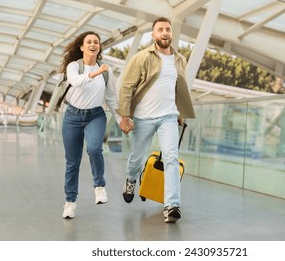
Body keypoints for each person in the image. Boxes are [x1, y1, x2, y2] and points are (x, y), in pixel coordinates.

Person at [117, 17, 195, 223]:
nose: (165, 32)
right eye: (160, 29)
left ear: (171, 33)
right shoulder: (142, 57)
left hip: (168, 117)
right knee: (136, 157)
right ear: (153, 34)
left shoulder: (180, 60)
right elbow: (126, 86)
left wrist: (181, 114)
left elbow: (180, 89)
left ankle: (171, 205)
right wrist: (125, 116)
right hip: (143, 118)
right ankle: (130, 179)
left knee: (171, 157)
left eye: (168, 29)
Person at [59, 31, 122, 219]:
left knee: (94, 149)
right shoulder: (74, 66)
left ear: (99, 47)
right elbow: (75, 82)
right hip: (72, 117)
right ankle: (70, 202)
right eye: (89, 42)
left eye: (96, 42)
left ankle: (100, 186)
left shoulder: (106, 70)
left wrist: (120, 119)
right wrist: (95, 72)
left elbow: (111, 98)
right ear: (82, 47)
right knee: (72, 162)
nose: (93, 44)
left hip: (95, 115)